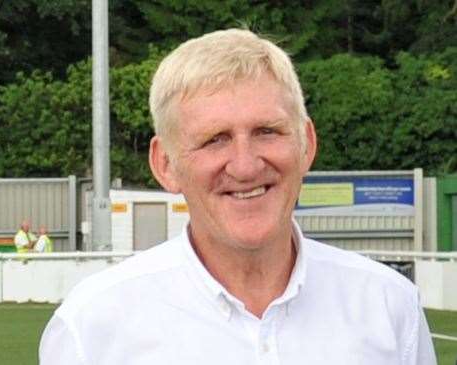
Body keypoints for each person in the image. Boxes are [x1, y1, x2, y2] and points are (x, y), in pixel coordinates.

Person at [39, 29, 436, 364]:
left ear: (306, 144)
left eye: (267, 131)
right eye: (215, 140)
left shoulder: (389, 306)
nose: (245, 166)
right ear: (165, 165)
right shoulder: (91, 326)